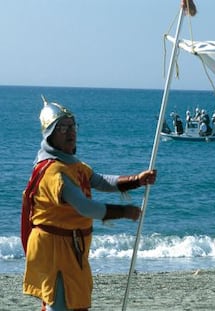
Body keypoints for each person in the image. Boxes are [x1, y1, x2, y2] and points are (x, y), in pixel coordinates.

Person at [21, 98, 157, 311]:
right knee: (59, 304)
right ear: (50, 134)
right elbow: (85, 207)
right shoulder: (53, 172)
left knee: (76, 301)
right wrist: (123, 211)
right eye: (63, 128)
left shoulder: (74, 165)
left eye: (72, 126)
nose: (70, 132)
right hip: (54, 248)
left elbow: (100, 181)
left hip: (73, 247)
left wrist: (137, 180)